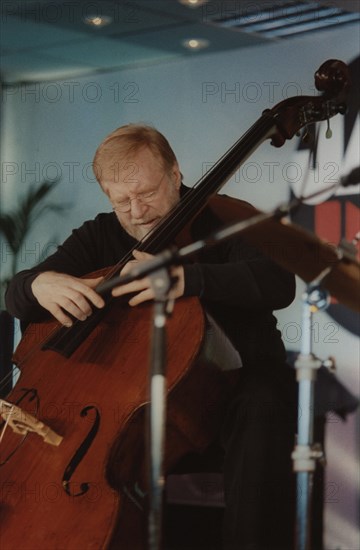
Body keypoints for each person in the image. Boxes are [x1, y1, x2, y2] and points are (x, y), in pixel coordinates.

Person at [5, 124, 297, 549]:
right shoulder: (101, 234)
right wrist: (38, 284)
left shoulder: (228, 217)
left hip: (232, 382)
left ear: (175, 175)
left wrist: (186, 278)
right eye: (121, 201)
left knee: (262, 407)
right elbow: (19, 296)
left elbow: (278, 282)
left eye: (146, 193)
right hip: (136, 398)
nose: (137, 211)